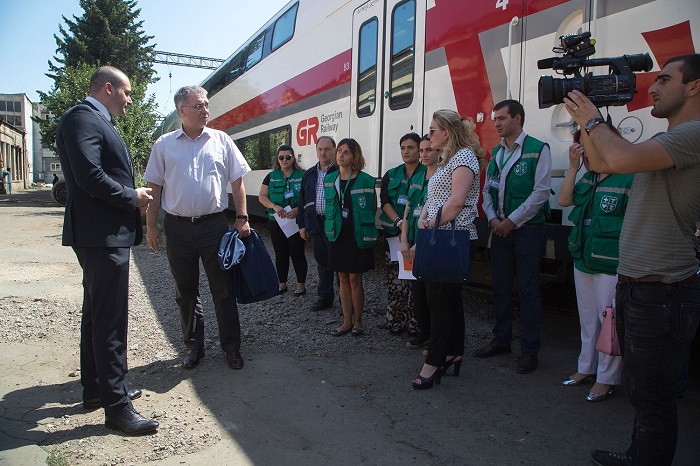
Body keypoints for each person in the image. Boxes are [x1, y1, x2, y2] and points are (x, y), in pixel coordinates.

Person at [564, 54, 700, 466]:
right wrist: (587, 122)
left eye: (663, 79)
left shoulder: (693, 134)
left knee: (654, 396)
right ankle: (639, 455)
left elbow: (619, 159)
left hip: (663, 290)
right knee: (644, 391)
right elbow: (605, 162)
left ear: (693, 87)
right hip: (643, 285)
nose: (652, 88)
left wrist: (592, 119)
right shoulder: (669, 139)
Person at [55, 66, 157, 434]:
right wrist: (132, 196)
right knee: (110, 320)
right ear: (109, 88)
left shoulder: (93, 120)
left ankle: (98, 390)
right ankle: (117, 408)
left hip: (101, 234)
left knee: (97, 314)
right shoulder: (83, 119)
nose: (130, 100)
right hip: (101, 236)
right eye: (127, 92)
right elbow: (88, 176)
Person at [144, 85, 251, 372]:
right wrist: (151, 225)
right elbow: (154, 187)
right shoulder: (164, 145)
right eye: (199, 106)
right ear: (182, 111)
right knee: (186, 291)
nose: (206, 110)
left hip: (214, 227)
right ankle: (194, 347)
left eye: (206, 105)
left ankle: (232, 347)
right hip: (177, 228)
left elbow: (237, 181)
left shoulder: (221, 140)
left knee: (223, 290)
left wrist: (242, 217)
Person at [475, 99, 552, 374]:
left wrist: (511, 221)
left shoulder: (537, 149)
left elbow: (541, 192)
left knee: (529, 290)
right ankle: (501, 340)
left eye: (502, 118)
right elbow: (487, 191)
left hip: (527, 230)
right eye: (495, 118)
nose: (496, 123)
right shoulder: (496, 153)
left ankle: (530, 350)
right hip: (501, 229)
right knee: (500, 288)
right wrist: (495, 219)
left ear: (517, 118)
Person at [411, 110, 485, 390]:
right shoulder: (448, 159)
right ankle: (454, 351)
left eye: (432, 131)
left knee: (439, 301)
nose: (429, 136)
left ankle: (435, 361)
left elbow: (456, 203)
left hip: (452, 237)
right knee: (449, 298)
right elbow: (436, 196)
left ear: (446, 132)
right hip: (440, 236)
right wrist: (423, 216)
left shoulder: (464, 157)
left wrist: (429, 223)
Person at [558, 129, 633, 402]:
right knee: (588, 320)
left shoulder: (628, 177)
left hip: (612, 263)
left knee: (609, 322)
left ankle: (606, 379)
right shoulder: (589, 178)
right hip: (584, 259)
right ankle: (585, 368)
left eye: (588, 146)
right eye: (581, 147)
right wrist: (572, 167)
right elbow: (565, 200)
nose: (585, 152)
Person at [324, 138, 378, 336]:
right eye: (339, 151)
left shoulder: (365, 180)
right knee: (342, 278)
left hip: (357, 235)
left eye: (346, 152)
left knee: (355, 278)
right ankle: (346, 321)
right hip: (337, 234)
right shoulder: (330, 179)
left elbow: (372, 208)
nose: (341, 155)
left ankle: (358, 322)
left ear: (354, 156)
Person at [379, 132, 427, 335]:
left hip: (418, 239)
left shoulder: (428, 173)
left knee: (418, 283)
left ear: (419, 150)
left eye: (411, 147)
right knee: (396, 281)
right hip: (394, 238)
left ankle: (417, 324)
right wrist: (399, 224)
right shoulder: (391, 174)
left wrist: (407, 231)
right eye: (403, 148)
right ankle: (395, 320)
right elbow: (385, 203)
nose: (406, 151)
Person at [400, 135, 441, 350]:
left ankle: (436, 338)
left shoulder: (443, 178)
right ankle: (424, 332)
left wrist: (418, 245)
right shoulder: (417, 178)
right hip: (413, 245)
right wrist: (405, 241)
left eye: (429, 150)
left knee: (431, 294)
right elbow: (407, 212)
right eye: (422, 150)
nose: (424, 154)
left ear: (438, 152)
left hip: (429, 245)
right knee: (417, 293)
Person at [258, 144, 307, 295]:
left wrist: (299, 210)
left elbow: (309, 197)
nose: (284, 160)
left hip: (296, 221)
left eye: (288, 157)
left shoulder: (303, 175)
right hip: (276, 221)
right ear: (277, 159)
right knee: (280, 253)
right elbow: (262, 196)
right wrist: (274, 206)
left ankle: (300, 285)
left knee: (297, 253)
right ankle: (282, 284)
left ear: (293, 159)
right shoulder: (271, 177)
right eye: (281, 157)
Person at [297, 136, 338, 311]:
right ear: (316, 151)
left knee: (338, 261)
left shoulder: (339, 171)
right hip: (315, 224)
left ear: (334, 150)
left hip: (334, 223)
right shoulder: (309, 174)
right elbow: (302, 201)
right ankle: (325, 298)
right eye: (320, 149)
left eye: (327, 149)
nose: (323, 152)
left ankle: (346, 300)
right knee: (322, 262)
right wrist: (302, 225)